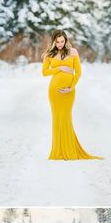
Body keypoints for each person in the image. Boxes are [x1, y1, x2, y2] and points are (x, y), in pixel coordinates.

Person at [41, 29, 104, 160]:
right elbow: (45, 72)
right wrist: (59, 68)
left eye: (62, 41)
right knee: (57, 118)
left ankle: (69, 150)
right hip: (54, 91)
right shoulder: (49, 54)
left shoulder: (73, 52)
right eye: (57, 42)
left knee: (66, 117)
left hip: (69, 91)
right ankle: (58, 151)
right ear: (53, 41)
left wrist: (71, 87)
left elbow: (78, 73)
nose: (60, 44)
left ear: (66, 40)